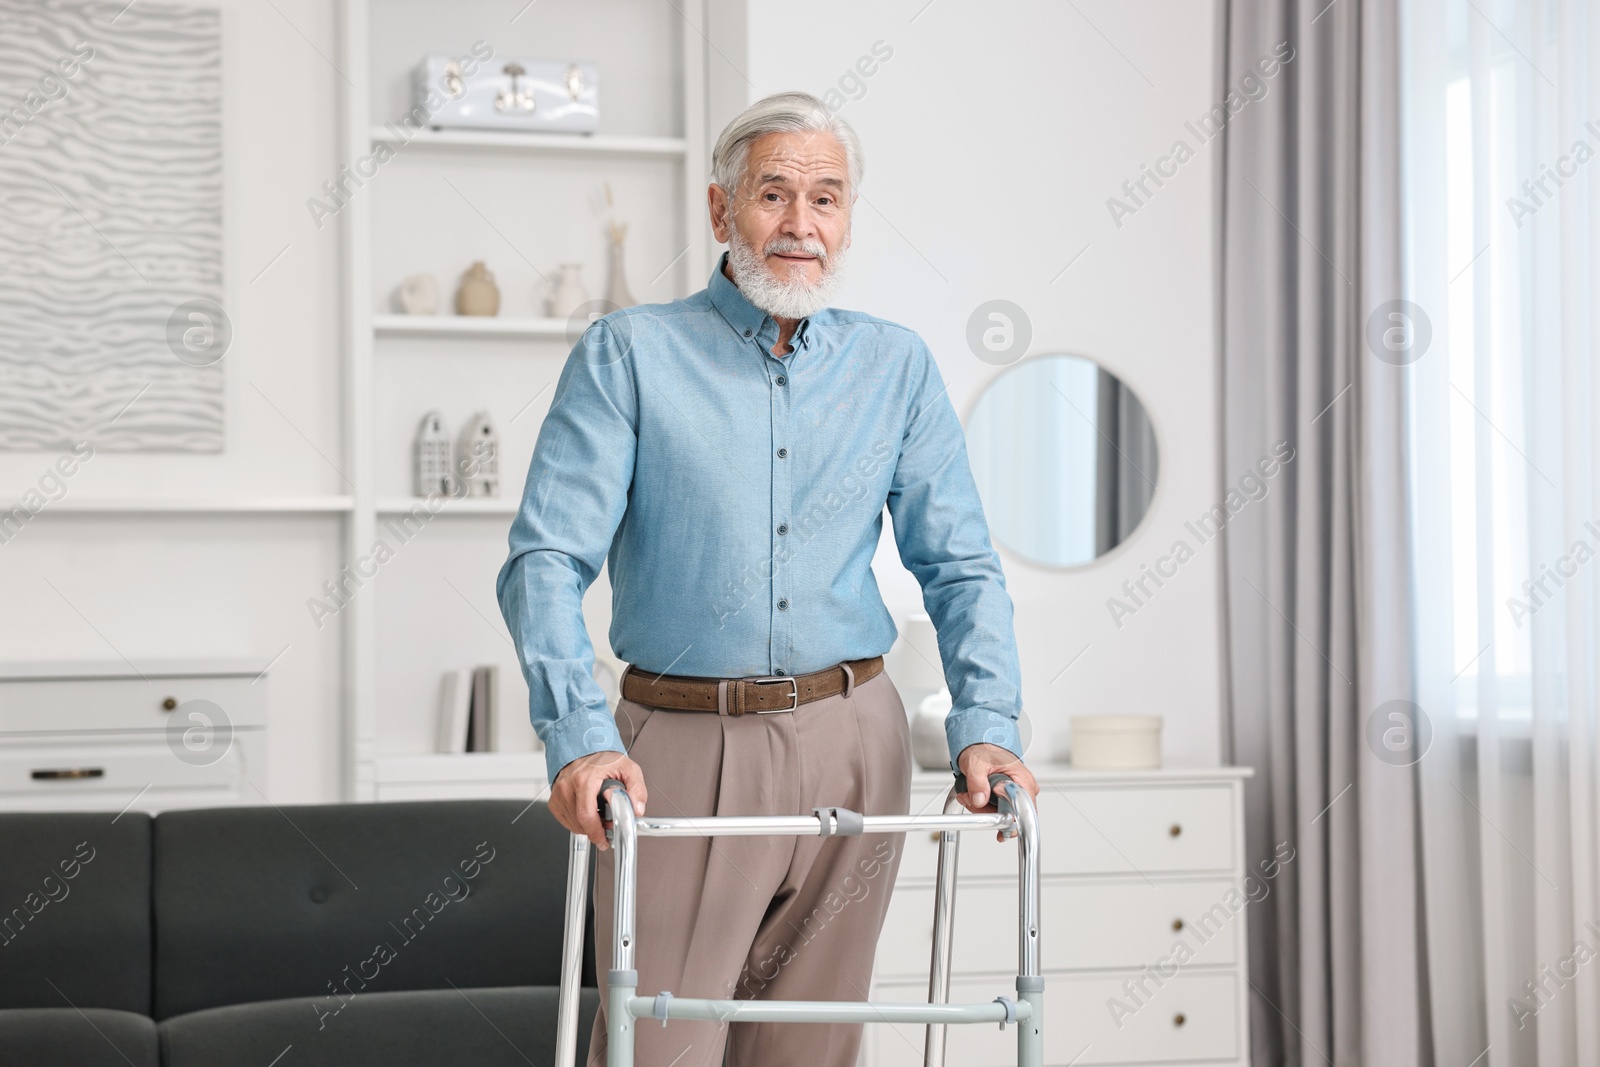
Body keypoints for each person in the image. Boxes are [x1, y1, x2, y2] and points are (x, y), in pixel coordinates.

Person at [496, 90, 1038, 1067]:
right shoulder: (629, 354)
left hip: (855, 736)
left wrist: (989, 722)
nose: (800, 225)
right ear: (720, 211)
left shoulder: (894, 367)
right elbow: (545, 560)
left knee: (810, 1049)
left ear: (846, 219)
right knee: (659, 1044)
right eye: (773, 194)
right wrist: (575, 736)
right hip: (681, 750)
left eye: (825, 199)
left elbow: (957, 564)